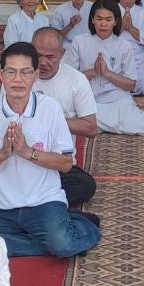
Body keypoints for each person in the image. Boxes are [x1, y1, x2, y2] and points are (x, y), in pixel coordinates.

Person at [0, 42, 102, 258]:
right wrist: (3, 153)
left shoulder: (50, 108)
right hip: (4, 209)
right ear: (1, 75)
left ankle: (80, 226)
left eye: (25, 72)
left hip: (44, 203)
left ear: (35, 75)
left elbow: (66, 163)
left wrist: (27, 151)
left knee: (63, 246)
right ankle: (52, 237)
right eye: (11, 72)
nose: (18, 80)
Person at [28, 28, 99, 206]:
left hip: (56, 163)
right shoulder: (18, 75)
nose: (43, 62)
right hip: (18, 159)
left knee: (85, 185)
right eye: (38, 55)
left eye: (50, 57)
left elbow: (91, 128)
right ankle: (38, 196)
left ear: (62, 54)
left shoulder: (76, 80)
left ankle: (19, 193)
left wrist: (51, 120)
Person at [68, 0, 144, 136]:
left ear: (115, 21)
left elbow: (131, 84)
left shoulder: (123, 45)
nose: (103, 24)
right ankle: (112, 123)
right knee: (71, 117)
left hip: (116, 98)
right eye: (99, 18)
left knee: (143, 127)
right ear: (92, 19)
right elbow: (69, 78)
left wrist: (107, 73)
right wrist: (94, 72)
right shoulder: (79, 41)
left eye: (108, 19)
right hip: (87, 98)